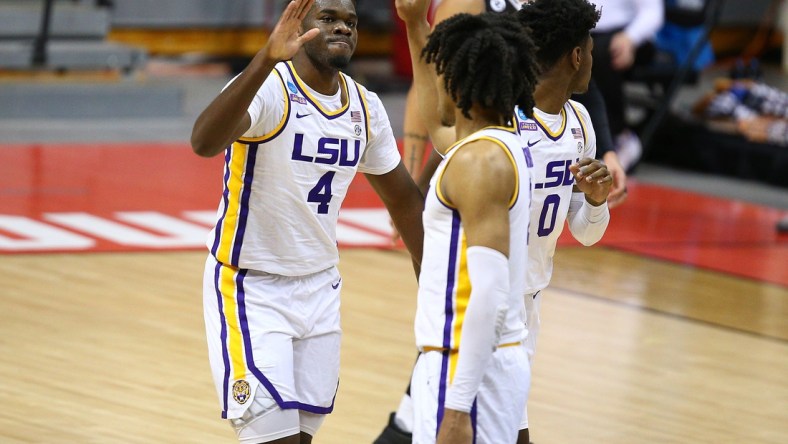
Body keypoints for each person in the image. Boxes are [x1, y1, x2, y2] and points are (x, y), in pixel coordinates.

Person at [375, 0, 611, 443]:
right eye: (592, 50)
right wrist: (414, 28)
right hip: (484, 304)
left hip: (525, 305)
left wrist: (596, 203)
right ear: (577, 55)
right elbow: (438, 119)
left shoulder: (579, 124)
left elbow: (585, 230)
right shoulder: (502, 127)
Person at [190, 0, 425, 442]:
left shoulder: (364, 106)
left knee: (299, 438)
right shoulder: (268, 86)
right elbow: (204, 141)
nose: (343, 28)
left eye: (351, 22)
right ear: (298, 24)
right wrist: (264, 58)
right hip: (252, 287)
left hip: (319, 288)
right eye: (329, 18)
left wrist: (439, 293)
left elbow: (405, 202)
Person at [402, 9, 542, 443]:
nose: (435, 78)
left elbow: (491, 293)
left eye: (441, 68)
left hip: (464, 369)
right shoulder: (491, 145)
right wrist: (413, 25)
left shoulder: (479, 163)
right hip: (475, 365)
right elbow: (438, 123)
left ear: (460, 81)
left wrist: (459, 407)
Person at [395, 0, 627, 212]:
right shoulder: (469, 4)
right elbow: (430, 84)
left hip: (503, 132)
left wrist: (606, 151)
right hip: (483, 127)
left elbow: (583, 77)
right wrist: (413, 175)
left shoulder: (559, 11)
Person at [589, 0, 664, 171]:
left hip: (628, 35)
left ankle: (619, 137)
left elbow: (653, 14)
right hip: (584, 32)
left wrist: (630, 38)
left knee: (600, 53)